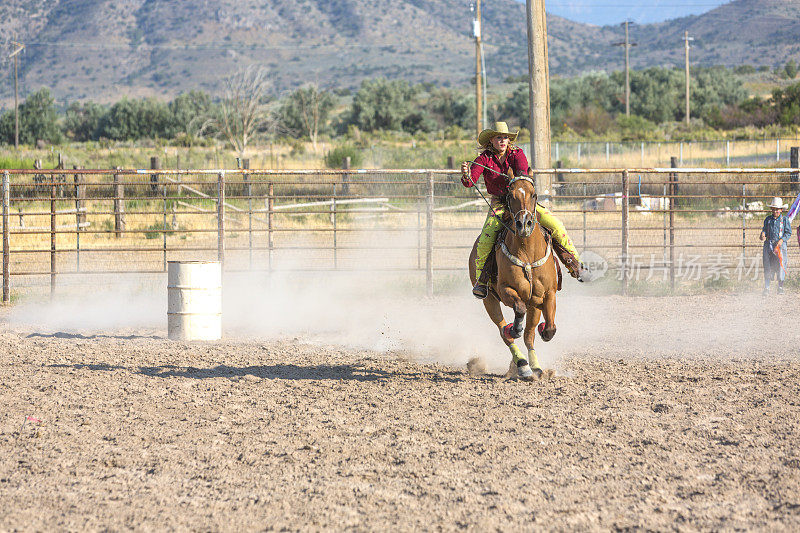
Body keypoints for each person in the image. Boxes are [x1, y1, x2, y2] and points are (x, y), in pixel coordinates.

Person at [460, 122, 586, 299]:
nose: (503, 140)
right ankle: (482, 280)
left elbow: (523, 175)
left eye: (505, 137)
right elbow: (470, 181)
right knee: (487, 236)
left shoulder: (517, 154)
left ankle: (575, 265)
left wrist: (517, 190)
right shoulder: (484, 159)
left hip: (522, 201)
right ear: (491, 140)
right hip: (500, 203)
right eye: (499, 137)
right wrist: (466, 174)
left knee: (555, 224)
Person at [760, 196, 792, 295]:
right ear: (771, 209)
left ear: (781, 209)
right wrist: (763, 233)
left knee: (781, 265)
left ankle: (780, 287)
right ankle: (767, 287)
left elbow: (788, 232)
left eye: (777, 209)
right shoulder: (768, 219)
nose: (775, 211)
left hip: (780, 245)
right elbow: (764, 229)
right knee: (768, 264)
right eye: (773, 209)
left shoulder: (785, 220)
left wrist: (782, 240)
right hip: (768, 244)